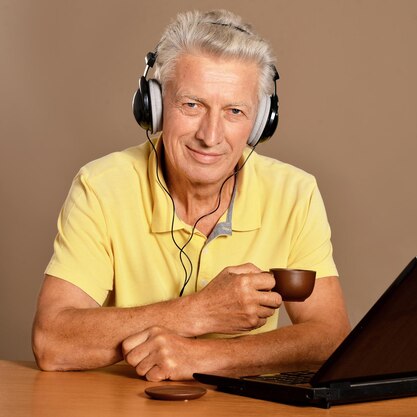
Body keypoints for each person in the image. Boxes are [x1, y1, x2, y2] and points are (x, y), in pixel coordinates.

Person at [32, 9, 350, 382]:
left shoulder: (296, 193)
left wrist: (202, 356)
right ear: (155, 105)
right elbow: (52, 342)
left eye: (234, 111)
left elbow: (330, 338)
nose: (211, 135)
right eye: (192, 105)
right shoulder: (101, 185)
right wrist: (199, 311)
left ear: (261, 121)